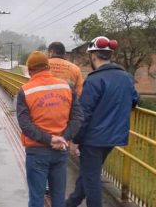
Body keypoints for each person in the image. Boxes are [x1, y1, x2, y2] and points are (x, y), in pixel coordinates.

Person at [66, 36, 139, 207]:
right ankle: (71, 203)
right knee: (89, 173)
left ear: (93, 56)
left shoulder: (94, 79)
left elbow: (84, 114)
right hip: (113, 137)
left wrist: (75, 140)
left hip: (93, 139)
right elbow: (135, 99)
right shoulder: (126, 77)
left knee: (91, 180)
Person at [17, 51, 83, 207]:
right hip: (61, 149)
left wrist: (49, 139)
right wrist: (63, 138)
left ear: (30, 69)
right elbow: (78, 118)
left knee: (36, 197)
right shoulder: (66, 87)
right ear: (47, 67)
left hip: (37, 152)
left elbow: (25, 125)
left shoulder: (25, 90)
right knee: (58, 196)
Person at [48, 41, 84, 157]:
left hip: (44, 108)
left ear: (52, 52)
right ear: (63, 53)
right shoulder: (75, 69)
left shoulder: (43, 66)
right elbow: (79, 93)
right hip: (65, 111)